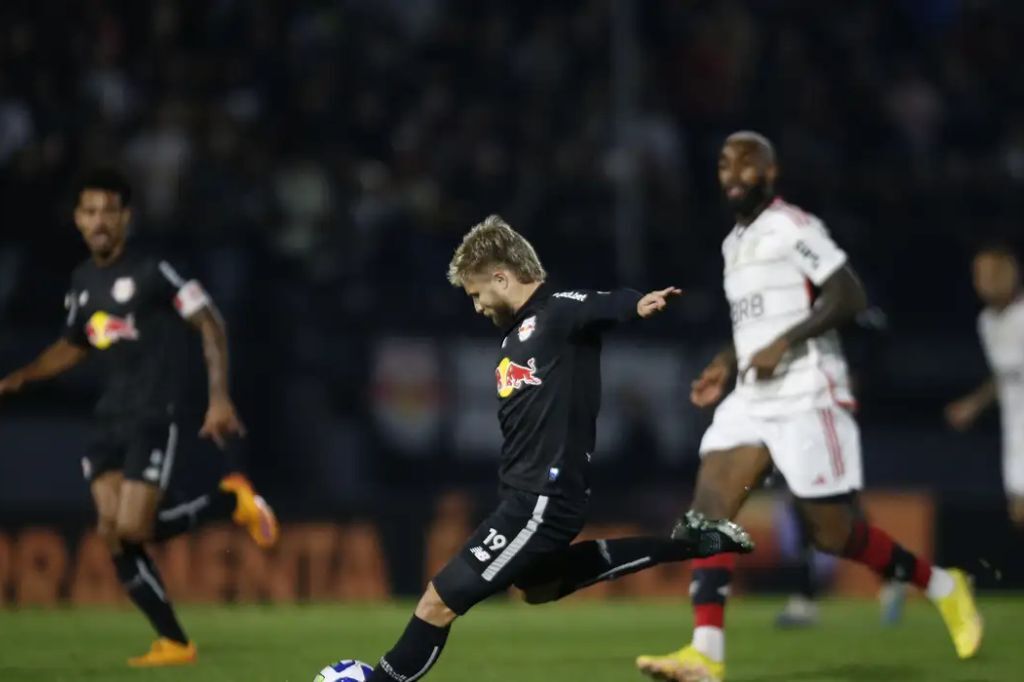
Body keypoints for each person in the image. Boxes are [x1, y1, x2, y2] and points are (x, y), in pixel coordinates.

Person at [635, 132, 982, 682]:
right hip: (753, 397)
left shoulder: (793, 226)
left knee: (833, 534)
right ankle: (705, 653)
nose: (733, 172)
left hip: (808, 392)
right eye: (724, 162)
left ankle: (943, 585)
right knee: (708, 509)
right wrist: (727, 360)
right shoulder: (733, 245)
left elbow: (848, 294)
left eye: (747, 163)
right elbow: (753, 326)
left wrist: (786, 343)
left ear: (770, 173)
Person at [361, 215, 753, 682]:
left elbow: (595, 304)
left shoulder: (555, 311)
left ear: (502, 277)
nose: (476, 306)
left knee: (438, 600)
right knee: (538, 586)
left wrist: (636, 304)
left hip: (540, 499)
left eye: (476, 293)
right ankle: (686, 543)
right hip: (526, 497)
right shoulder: (517, 333)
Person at [0, 169, 279, 667]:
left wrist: (219, 397)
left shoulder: (155, 269)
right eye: (90, 212)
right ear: (77, 220)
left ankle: (227, 502)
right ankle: (174, 642)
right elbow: (75, 345)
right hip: (107, 418)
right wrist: (21, 378)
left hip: (153, 413)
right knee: (114, 534)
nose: (99, 221)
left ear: (126, 217)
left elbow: (209, 320)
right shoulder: (82, 282)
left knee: (131, 528)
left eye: (109, 210)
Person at [945, 243, 1024, 527]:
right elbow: (1003, 377)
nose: (984, 282)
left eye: (991, 274)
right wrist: (973, 405)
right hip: (1015, 426)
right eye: (978, 275)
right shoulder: (987, 323)